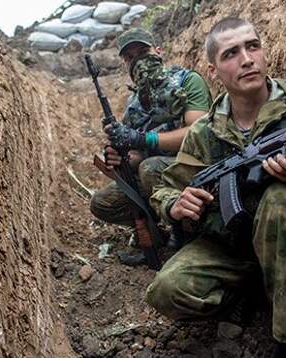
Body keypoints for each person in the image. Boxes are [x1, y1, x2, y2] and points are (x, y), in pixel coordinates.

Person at [146, 17, 286, 357]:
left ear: (265, 53)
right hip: (232, 247)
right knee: (165, 291)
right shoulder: (204, 133)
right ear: (213, 71)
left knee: (283, 200)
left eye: (253, 46)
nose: (247, 59)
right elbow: (166, 186)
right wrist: (175, 203)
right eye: (231, 53)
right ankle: (252, 292)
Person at [89, 28, 212, 265]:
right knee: (102, 202)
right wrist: (120, 156)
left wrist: (142, 140)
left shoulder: (187, 81)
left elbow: (199, 132)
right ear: (126, 64)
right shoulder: (133, 108)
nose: (139, 61)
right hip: (156, 177)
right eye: (131, 57)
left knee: (150, 167)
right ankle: (157, 231)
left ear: (158, 51)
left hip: (198, 169)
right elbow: (136, 158)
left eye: (143, 52)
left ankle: (189, 236)